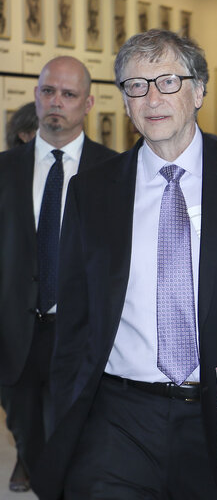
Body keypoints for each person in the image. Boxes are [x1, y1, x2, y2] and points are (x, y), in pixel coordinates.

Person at [31, 29, 217, 500]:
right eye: (136, 85)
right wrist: (65, 412)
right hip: (117, 416)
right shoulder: (92, 192)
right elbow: (74, 320)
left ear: (199, 90)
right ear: (123, 101)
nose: (152, 98)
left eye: (168, 82)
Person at [0, 56, 116, 493]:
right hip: (16, 338)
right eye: (48, 91)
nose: (56, 102)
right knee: (31, 440)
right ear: (36, 95)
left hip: (83, 334)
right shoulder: (4, 169)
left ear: (87, 103)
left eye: (68, 95)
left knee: (76, 445)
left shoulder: (114, 171)